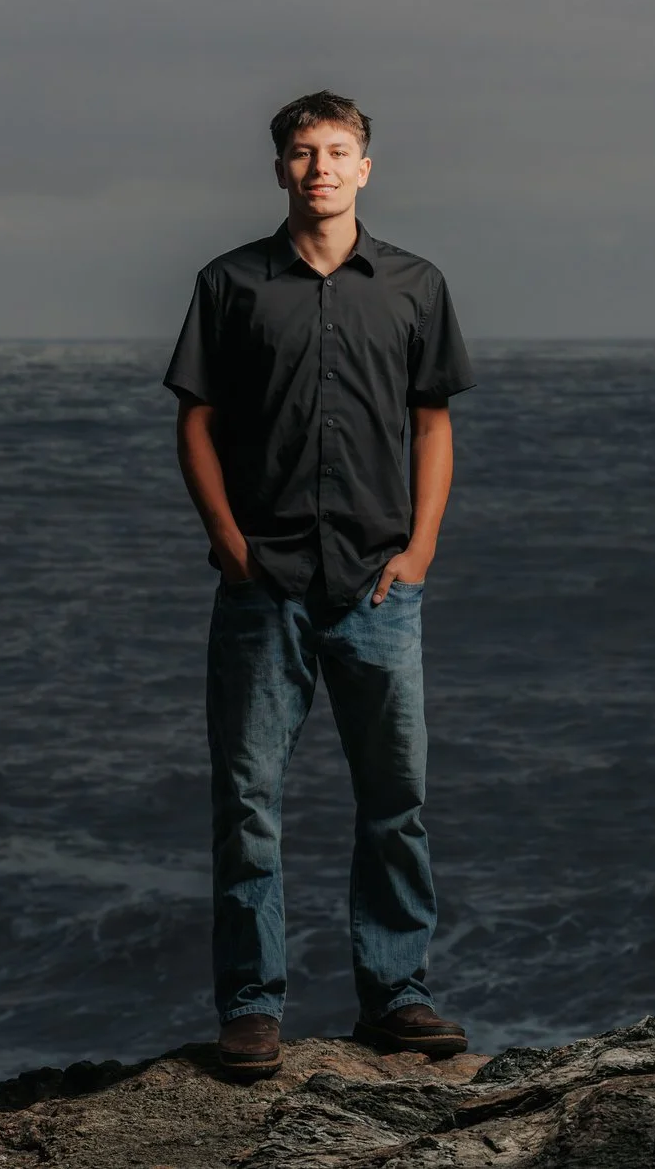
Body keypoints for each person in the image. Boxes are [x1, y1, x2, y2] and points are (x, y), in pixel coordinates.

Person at [163, 90, 476, 1080]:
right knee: (248, 801)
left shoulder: (415, 286)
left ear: (366, 166)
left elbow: (432, 422)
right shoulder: (230, 285)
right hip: (267, 585)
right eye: (302, 153)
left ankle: (396, 993)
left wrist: (420, 548)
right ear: (280, 170)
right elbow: (197, 419)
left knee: (396, 797)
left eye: (337, 151)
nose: (320, 168)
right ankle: (253, 1006)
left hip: (380, 587)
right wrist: (226, 539)